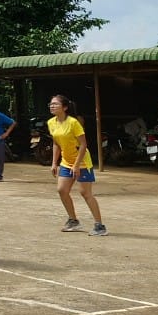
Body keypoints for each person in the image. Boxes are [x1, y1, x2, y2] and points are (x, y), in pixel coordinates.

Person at [48, 95, 107, 236]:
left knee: (85, 193)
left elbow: (83, 145)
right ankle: (73, 221)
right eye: (50, 104)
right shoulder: (51, 122)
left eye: (55, 104)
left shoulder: (73, 123)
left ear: (65, 107)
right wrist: (54, 163)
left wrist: (76, 165)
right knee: (62, 190)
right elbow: (56, 143)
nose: (52, 106)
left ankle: (99, 226)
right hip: (66, 162)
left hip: (82, 162)